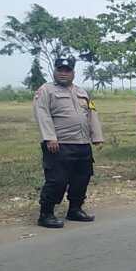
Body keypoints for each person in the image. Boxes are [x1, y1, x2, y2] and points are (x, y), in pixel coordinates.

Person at [33, 57, 104, 228]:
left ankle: (75, 209)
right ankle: (46, 214)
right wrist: (50, 137)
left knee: (82, 179)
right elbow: (42, 114)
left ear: (73, 73)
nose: (63, 73)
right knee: (57, 180)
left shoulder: (82, 92)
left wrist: (97, 136)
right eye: (60, 70)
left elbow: (92, 113)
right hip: (59, 144)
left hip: (82, 144)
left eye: (67, 70)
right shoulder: (46, 90)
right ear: (55, 71)